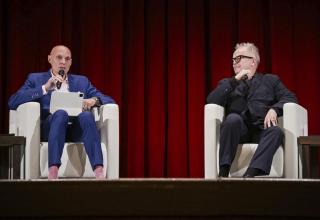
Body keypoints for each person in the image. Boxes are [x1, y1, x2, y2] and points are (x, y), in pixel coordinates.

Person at [8, 45, 115, 179]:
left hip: (76, 130)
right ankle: (53, 171)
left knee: (87, 115)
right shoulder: (36, 79)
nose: (63, 62)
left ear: (70, 63)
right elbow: (13, 101)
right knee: (60, 114)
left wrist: (94, 100)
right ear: (50, 59)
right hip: (52, 127)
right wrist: (45, 88)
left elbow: (109, 99)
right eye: (59, 57)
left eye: (67, 59)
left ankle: (99, 170)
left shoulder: (82, 81)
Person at [207, 42, 297, 177]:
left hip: (261, 131)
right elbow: (212, 100)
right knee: (232, 119)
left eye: (238, 58)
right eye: (233, 60)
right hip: (238, 132)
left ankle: (250, 175)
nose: (234, 63)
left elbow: (290, 97)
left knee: (276, 131)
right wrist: (235, 80)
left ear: (252, 61)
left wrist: (274, 109)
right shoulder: (228, 83)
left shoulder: (270, 80)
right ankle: (224, 172)